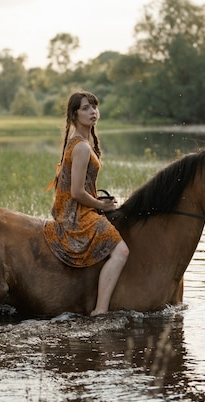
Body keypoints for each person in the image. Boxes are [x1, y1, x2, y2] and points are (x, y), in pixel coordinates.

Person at [43, 90, 129, 316]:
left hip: (81, 207)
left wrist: (99, 201)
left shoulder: (82, 143)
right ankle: (100, 309)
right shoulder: (81, 147)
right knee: (121, 252)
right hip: (75, 215)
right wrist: (102, 206)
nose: (93, 112)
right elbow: (77, 192)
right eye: (86, 108)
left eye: (94, 107)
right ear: (74, 115)